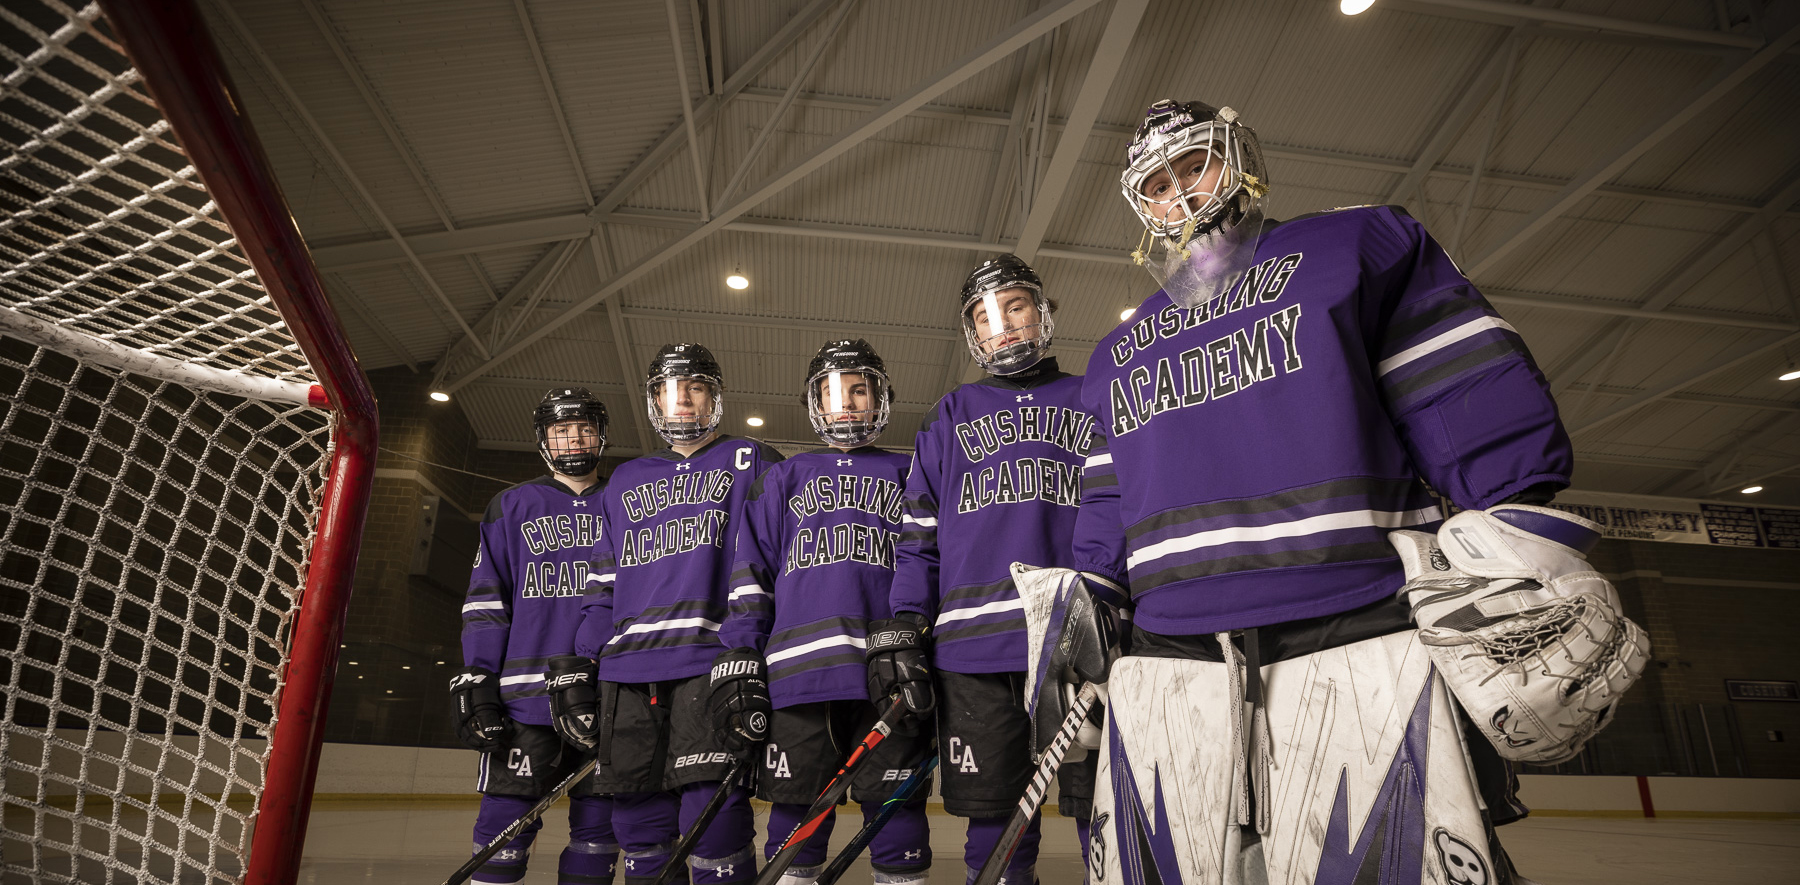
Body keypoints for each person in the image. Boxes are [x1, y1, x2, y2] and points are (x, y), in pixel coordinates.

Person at [1066, 99, 1639, 885]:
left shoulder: (1350, 246)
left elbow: (1460, 385)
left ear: (1238, 156)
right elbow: (1109, 493)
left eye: (1194, 164)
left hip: (1357, 628)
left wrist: (1510, 521)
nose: (1181, 193)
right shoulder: (1115, 351)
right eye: (1158, 183)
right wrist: (1095, 592)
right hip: (1175, 659)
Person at [868, 256, 1102, 885]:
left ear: (1042, 311)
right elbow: (918, 537)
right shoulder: (950, 413)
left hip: (1080, 643)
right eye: (983, 315)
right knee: (995, 820)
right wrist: (908, 625)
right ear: (972, 334)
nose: (1001, 324)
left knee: (1100, 810)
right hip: (973, 651)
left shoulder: (1094, 393)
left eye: (1014, 305)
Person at [556, 343, 785, 885]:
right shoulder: (626, 480)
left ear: (715, 396)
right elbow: (603, 584)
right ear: (653, 400)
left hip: (711, 664)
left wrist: (750, 649)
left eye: (695, 387)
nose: (681, 400)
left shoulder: (753, 461)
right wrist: (581, 661)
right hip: (627, 670)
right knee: (636, 817)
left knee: (715, 815)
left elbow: (779, 564)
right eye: (667, 390)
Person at [712, 340, 932, 885]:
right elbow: (751, 573)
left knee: (898, 812)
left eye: (859, 390)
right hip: (797, 676)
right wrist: (742, 651)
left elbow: (929, 561)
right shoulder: (782, 478)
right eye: (833, 392)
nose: (847, 403)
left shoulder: (912, 474)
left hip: (888, 670)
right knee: (795, 808)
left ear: (880, 397)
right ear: (814, 403)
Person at [453, 387, 617, 885]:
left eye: (584, 428)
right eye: (561, 430)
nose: (574, 439)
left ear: (601, 435)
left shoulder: (628, 501)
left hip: (607, 696)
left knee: (599, 833)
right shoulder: (511, 505)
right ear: (544, 438)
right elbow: (486, 601)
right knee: (503, 830)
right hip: (525, 699)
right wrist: (479, 676)